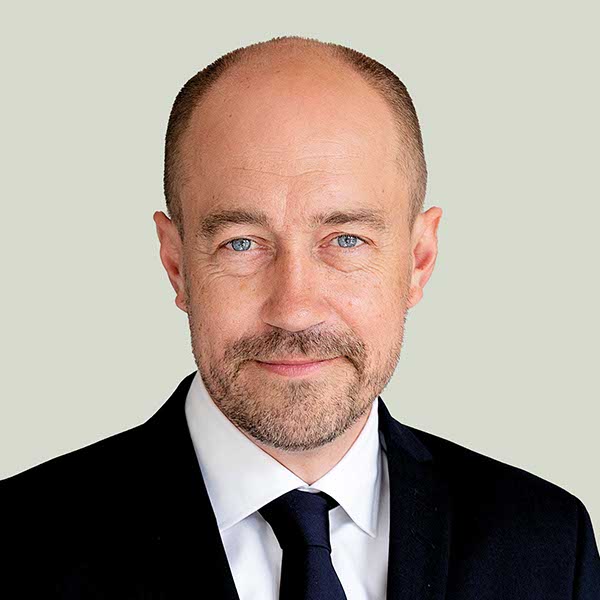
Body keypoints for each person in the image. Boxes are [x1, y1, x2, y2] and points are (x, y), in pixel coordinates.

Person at [2, 35, 599, 599]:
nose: (294, 310)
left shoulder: (549, 543)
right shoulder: (18, 547)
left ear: (418, 260)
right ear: (176, 264)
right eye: (241, 243)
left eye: (346, 240)